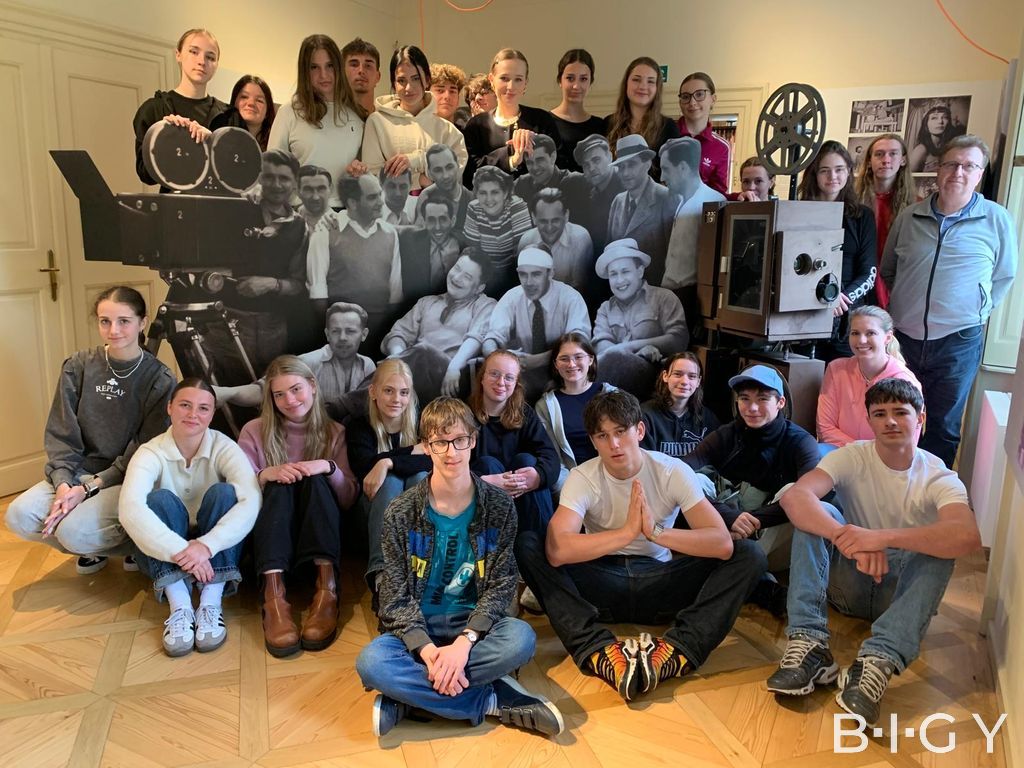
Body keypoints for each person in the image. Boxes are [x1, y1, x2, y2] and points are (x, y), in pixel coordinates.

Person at [515, 390, 765, 701]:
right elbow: (557, 550)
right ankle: (597, 649)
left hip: (661, 583)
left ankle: (678, 650)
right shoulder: (582, 477)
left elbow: (722, 544)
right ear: (593, 441)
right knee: (529, 544)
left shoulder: (672, 470)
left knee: (749, 554)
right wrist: (625, 534)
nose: (614, 444)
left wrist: (655, 533)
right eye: (603, 436)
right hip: (600, 584)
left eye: (621, 431)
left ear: (640, 431)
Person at [770, 378, 981, 726]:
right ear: (869, 420)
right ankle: (809, 643)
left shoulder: (939, 475)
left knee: (941, 547)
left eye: (901, 412)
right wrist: (845, 537)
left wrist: (878, 538)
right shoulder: (852, 456)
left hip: (898, 596)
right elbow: (796, 497)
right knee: (818, 515)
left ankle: (877, 662)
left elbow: (967, 536)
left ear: (921, 418)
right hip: (846, 581)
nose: (890, 421)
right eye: (880, 414)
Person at [355, 397, 564, 738]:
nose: (451, 452)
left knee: (522, 639)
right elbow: (393, 595)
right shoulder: (400, 512)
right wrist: (427, 650)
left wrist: (464, 644)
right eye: (440, 442)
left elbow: (501, 586)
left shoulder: (499, 506)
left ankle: (409, 699)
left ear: (473, 440)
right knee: (372, 662)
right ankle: (491, 699)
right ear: (426, 446)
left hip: (474, 625)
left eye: (460, 440)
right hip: (419, 625)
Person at [6, 287, 174, 574]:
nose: (113, 330)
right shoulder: (78, 366)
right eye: (105, 321)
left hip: (125, 478)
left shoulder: (159, 378)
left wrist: (89, 488)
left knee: (73, 532)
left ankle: (137, 543)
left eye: (124, 321)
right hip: (77, 473)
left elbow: (144, 451)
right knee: (18, 515)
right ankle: (94, 547)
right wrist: (63, 484)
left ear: (142, 323)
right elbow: (62, 432)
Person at [881, 134, 1018, 468]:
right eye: (952, 164)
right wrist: (908, 304)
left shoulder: (996, 219)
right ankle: (891, 487)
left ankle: (931, 493)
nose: (958, 172)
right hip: (904, 339)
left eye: (969, 166)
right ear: (938, 169)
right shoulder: (909, 217)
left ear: (980, 174)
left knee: (942, 426)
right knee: (896, 417)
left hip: (958, 341)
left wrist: (978, 309)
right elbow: (888, 270)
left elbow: (1004, 275)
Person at [119, 379, 260, 657]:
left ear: (212, 414)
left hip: (216, 547)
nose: (193, 414)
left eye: (203, 408)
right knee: (158, 500)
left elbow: (251, 500)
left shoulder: (224, 446)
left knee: (225, 493)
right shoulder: (150, 452)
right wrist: (183, 551)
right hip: (166, 550)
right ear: (170, 407)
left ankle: (210, 601)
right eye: (185, 405)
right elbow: (129, 508)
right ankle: (180, 605)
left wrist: (207, 545)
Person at [238, 356, 358, 657]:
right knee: (279, 483)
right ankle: (273, 597)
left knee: (315, 480)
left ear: (312, 386)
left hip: (318, 538)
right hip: (271, 541)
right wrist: (266, 474)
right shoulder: (253, 430)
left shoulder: (334, 432)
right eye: (279, 394)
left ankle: (327, 590)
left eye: (296, 389)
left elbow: (348, 498)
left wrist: (327, 467)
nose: (290, 401)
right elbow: (237, 492)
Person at [683, 365, 818, 549]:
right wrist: (728, 515)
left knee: (795, 492)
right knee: (691, 479)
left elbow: (812, 494)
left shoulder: (801, 442)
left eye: (762, 399)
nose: (752, 408)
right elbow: (680, 469)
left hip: (769, 527)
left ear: (780, 402)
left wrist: (750, 522)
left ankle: (749, 554)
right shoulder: (727, 433)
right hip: (727, 517)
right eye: (745, 399)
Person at [347, 361, 432, 595]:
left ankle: (421, 567)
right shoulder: (358, 426)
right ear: (373, 392)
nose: (396, 399)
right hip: (370, 516)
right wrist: (409, 452)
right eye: (388, 391)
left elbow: (433, 460)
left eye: (404, 392)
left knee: (419, 477)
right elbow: (363, 466)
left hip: (414, 515)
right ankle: (383, 574)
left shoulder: (422, 423)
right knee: (390, 481)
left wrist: (386, 462)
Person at [215, 302, 376, 414]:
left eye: (350, 331)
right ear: (327, 334)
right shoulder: (308, 362)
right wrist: (228, 393)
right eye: (336, 331)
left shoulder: (368, 365)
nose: (342, 338)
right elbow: (263, 390)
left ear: (364, 334)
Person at [797, 141, 876, 359]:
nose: (832, 176)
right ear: (814, 174)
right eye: (825, 170)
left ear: (849, 172)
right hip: (804, 315)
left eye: (839, 169)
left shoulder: (863, 216)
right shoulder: (798, 213)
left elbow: (869, 273)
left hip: (846, 318)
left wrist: (840, 298)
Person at [383, 250, 496, 401]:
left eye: (467, 277)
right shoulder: (426, 302)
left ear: (479, 288)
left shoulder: (485, 305)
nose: (457, 277)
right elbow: (398, 334)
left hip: (452, 378)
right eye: (457, 268)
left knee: (424, 350)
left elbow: (476, 338)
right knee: (388, 373)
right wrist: (398, 360)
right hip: (413, 374)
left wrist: (455, 366)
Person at [268, 34, 365, 209]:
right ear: (305, 71)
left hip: (344, 214)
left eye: (329, 66)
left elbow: (365, 173)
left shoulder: (356, 118)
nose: (323, 75)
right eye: (314, 67)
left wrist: (358, 172)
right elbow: (272, 172)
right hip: (300, 213)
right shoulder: (289, 112)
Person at [468, 351, 559, 535]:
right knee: (487, 464)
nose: (501, 382)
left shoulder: (525, 414)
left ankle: (539, 543)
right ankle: (493, 544)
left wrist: (537, 477)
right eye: (494, 374)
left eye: (509, 378)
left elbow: (551, 458)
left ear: (516, 384)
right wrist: (482, 481)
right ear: (482, 378)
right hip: (484, 509)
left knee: (527, 461)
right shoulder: (463, 414)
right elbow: (449, 466)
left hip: (524, 504)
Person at [482, 247, 591, 399]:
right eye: (523, 274)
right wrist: (500, 359)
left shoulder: (571, 298)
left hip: (562, 373)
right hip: (521, 376)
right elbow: (491, 339)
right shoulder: (511, 297)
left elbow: (579, 343)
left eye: (536, 274)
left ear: (550, 273)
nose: (528, 282)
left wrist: (536, 361)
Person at [362, 45, 468, 191]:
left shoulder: (448, 131)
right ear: (393, 83)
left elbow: (452, 176)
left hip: (437, 205)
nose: (409, 88)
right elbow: (372, 176)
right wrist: (422, 180)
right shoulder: (377, 122)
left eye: (416, 78)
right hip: (391, 204)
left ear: (427, 80)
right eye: (401, 80)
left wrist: (417, 161)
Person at [132, 28, 226, 191]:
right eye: (194, 52)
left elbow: (238, 175)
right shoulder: (154, 110)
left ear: (216, 64)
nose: (202, 61)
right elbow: (145, 174)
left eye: (210, 57)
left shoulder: (228, 115)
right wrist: (166, 137)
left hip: (218, 205)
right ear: (178, 55)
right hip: (172, 205)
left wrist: (212, 141)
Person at [817, 306, 922, 451]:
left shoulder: (905, 380)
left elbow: (905, 441)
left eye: (870, 333)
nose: (861, 340)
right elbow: (825, 427)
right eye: (855, 333)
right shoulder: (836, 369)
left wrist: (868, 457)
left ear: (887, 337)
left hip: (884, 458)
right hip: (841, 452)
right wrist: (858, 452)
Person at [593, 238, 688, 396]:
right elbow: (604, 352)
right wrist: (638, 351)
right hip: (613, 383)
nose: (619, 280)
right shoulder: (605, 309)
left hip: (656, 385)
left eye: (625, 271)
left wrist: (631, 349)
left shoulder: (664, 298)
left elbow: (678, 340)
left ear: (640, 271)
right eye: (613, 274)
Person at [326, 174, 403, 354]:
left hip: (380, 327)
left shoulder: (390, 233)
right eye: (372, 197)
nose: (381, 202)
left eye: (380, 194)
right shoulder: (329, 229)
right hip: (341, 330)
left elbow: (395, 291)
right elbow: (317, 292)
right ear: (353, 203)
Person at [462, 49, 561, 187]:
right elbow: (471, 173)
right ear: (491, 80)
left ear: (525, 83)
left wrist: (537, 142)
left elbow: (558, 167)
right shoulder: (476, 126)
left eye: (518, 79)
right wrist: (511, 156)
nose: (511, 86)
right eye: (504, 78)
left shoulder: (542, 120)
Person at [660, 136, 726, 333]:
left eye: (666, 169)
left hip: (691, 300)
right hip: (670, 296)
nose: (662, 177)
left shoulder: (713, 202)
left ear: (682, 167)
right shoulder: (680, 200)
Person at [535, 333, 615, 491]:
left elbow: (627, 446)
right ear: (556, 364)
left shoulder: (613, 396)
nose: (571, 364)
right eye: (564, 359)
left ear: (590, 360)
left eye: (578, 357)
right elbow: (553, 460)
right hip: (572, 486)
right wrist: (575, 492)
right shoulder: (545, 406)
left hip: (614, 479)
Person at [606, 134, 678, 286]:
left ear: (647, 164)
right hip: (621, 291)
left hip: (655, 291)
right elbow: (610, 252)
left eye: (632, 164)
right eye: (621, 167)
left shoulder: (666, 198)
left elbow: (674, 259)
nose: (625, 173)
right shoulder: (618, 201)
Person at [853, 134, 915, 308]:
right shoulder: (853, 203)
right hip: (859, 283)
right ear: (869, 161)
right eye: (879, 154)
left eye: (893, 154)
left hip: (894, 286)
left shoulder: (915, 206)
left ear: (903, 160)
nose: (886, 160)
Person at [605, 56, 679, 182]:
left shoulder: (668, 127)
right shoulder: (608, 123)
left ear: (657, 88)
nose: (643, 86)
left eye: (650, 81)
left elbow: (674, 177)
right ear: (626, 84)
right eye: (636, 79)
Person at [463, 165, 533, 295]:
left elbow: (522, 252)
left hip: (514, 274)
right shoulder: (473, 208)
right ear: (476, 194)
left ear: (505, 193)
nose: (489, 199)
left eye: (495, 192)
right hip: (486, 275)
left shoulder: (517, 206)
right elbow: (474, 252)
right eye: (483, 193)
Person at [641, 352, 720, 458]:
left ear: (698, 381)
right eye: (677, 374)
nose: (684, 381)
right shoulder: (645, 416)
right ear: (665, 376)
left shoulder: (707, 418)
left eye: (692, 376)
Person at [518, 187, 594, 287]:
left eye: (555, 221)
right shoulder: (526, 241)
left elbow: (580, 288)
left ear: (566, 216)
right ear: (534, 218)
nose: (549, 228)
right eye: (543, 221)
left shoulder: (580, 239)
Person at [549, 49, 607, 173]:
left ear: (590, 82)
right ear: (560, 80)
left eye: (583, 79)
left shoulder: (600, 126)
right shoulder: (545, 122)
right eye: (570, 78)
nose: (576, 86)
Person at [674, 72, 731, 195]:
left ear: (713, 99)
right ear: (680, 102)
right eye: (686, 97)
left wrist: (738, 197)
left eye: (699, 94)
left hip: (700, 207)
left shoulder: (721, 147)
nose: (692, 102)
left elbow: (718, 195)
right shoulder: (665, 134)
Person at [397, 194, 460, 300]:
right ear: (424, 222)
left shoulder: (464, 245)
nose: (437, 227)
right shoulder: (409, 240)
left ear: (452, 221)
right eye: (431, 220)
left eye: (443, 219)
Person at [568, 134, 623, 254]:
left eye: (596, 160)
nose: (591, 168)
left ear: (610, 157)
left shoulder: (626, 185)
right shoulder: (592, 192)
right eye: (586, 165)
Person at [414, 144, 473, 235]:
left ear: (458, 165)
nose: (445, 176)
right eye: (438, 170)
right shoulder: (426, 196)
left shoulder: (472, 200)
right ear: (429, 173)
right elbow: (419, 234)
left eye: (449, 167)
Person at [513, 134, 580, 212]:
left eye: (540, 160)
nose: (535, 167)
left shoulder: (574, 183)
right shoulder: (521, 184)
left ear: (553, 157)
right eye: (529, 162)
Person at [210, 74, 276, 151]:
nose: (251, 103)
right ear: (234, 102)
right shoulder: (217, 137)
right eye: (244, 97)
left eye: (259, 100)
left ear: (267, 112)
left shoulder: (275, 146)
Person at [908, 101, 957, 173]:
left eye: (945, 117)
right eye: (934, 118)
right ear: (926, 123)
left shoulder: (952, 147)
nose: (940, 121)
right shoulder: (920, 151)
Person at [342, 37, 382, 116]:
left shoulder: (387, 121)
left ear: (378, 77)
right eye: (354, 65)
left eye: (368, 65)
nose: (361, 70)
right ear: (342, 73)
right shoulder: (330, 118)